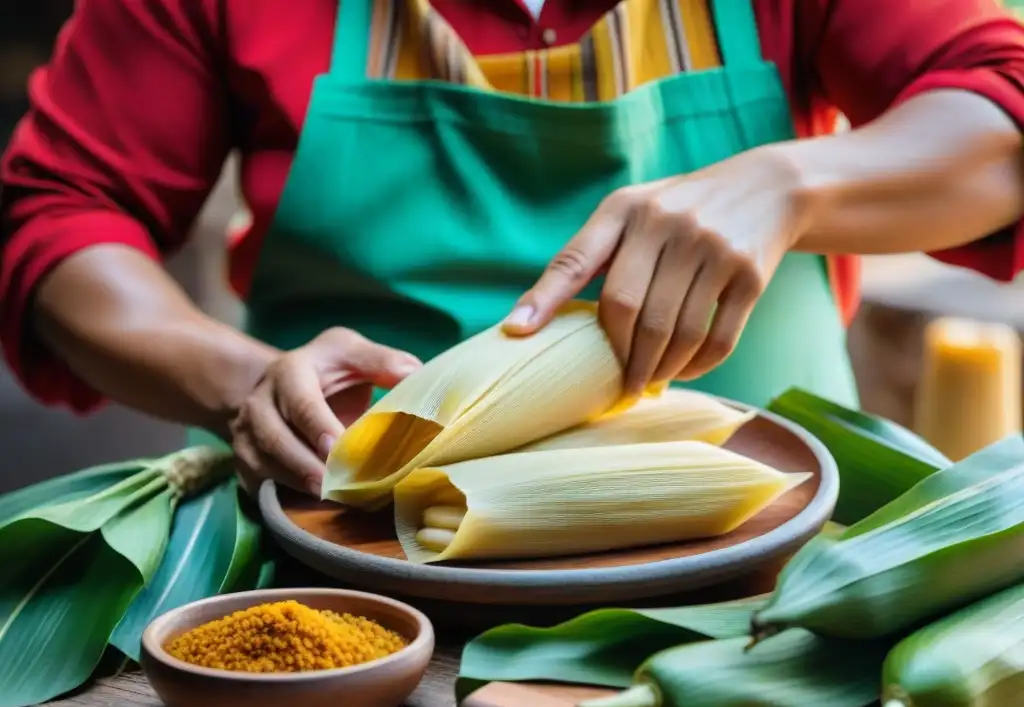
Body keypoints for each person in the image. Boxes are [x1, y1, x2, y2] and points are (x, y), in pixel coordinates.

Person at [2, 0, 1024, 499]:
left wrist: (789, 183)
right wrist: (242, 380)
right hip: (344, 554)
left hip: (765, 553)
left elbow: (1002, 114)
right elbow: (59, 212)